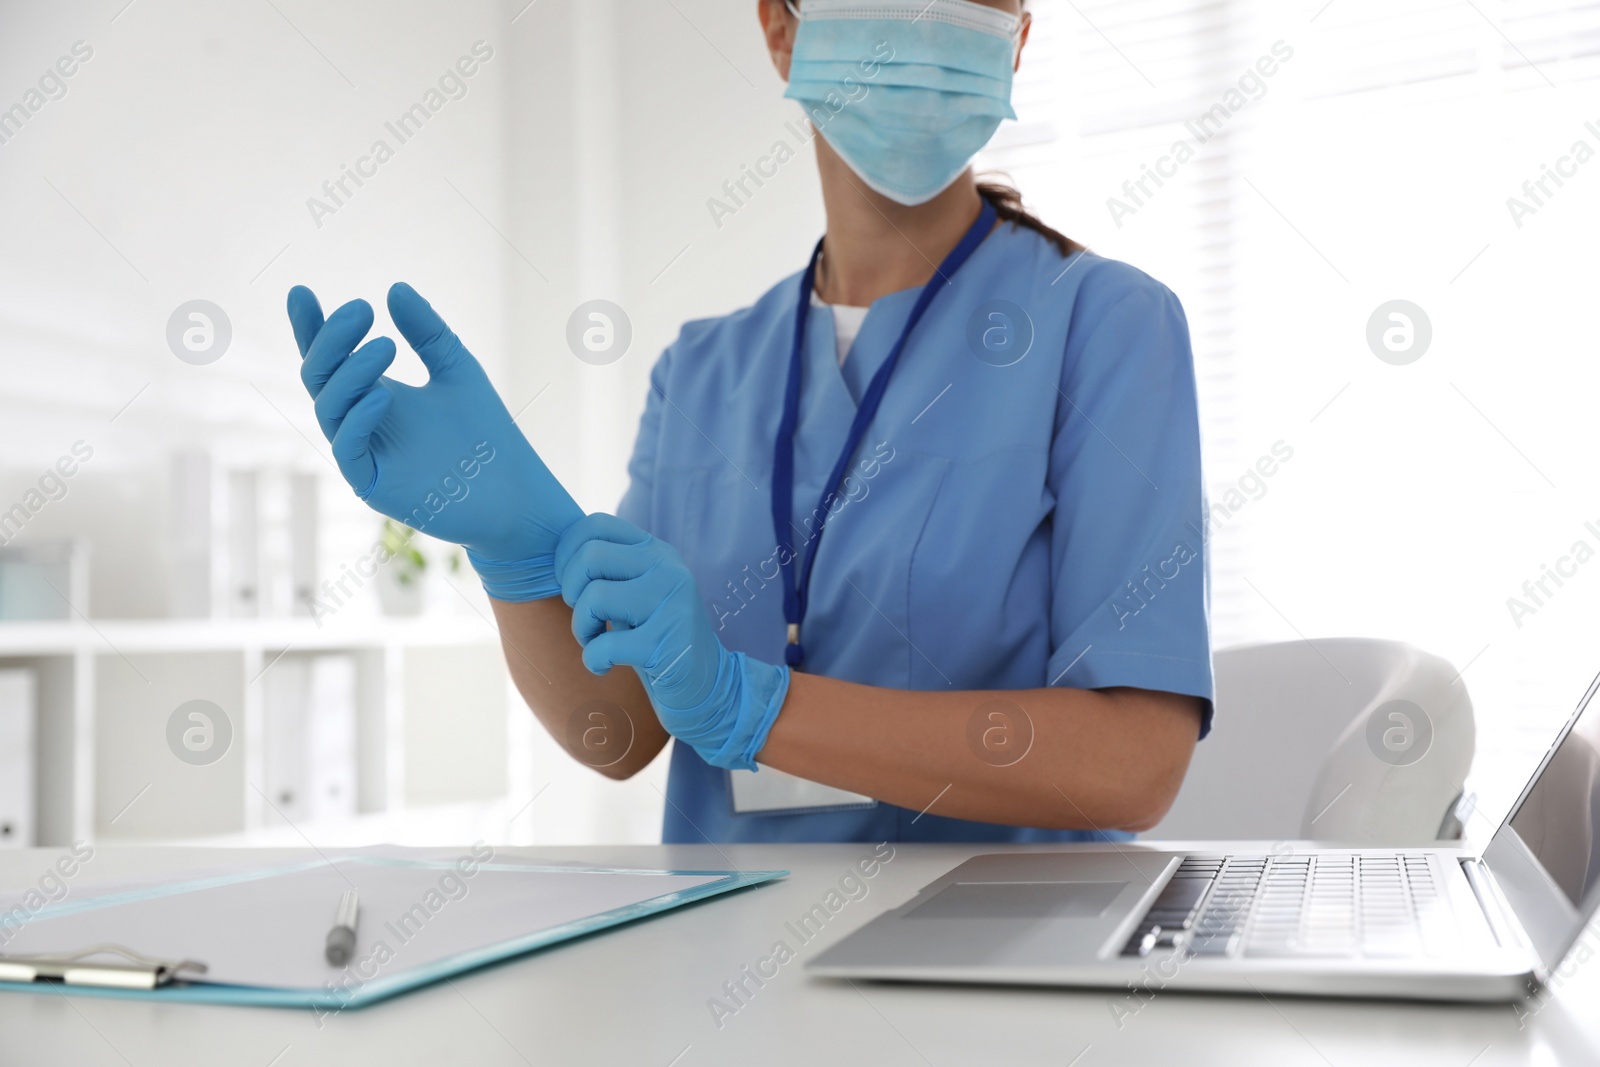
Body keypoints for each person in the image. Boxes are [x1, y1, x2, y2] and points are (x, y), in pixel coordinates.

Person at [285, 0, 1213, 846]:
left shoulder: (1105, 327)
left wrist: (754, 707)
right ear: (781, 27)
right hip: (716, 980)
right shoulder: (702, 371)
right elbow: (620, 732)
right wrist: (515, 549)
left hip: (1002, 978)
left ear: (1016, 37)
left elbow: (1130, 767)